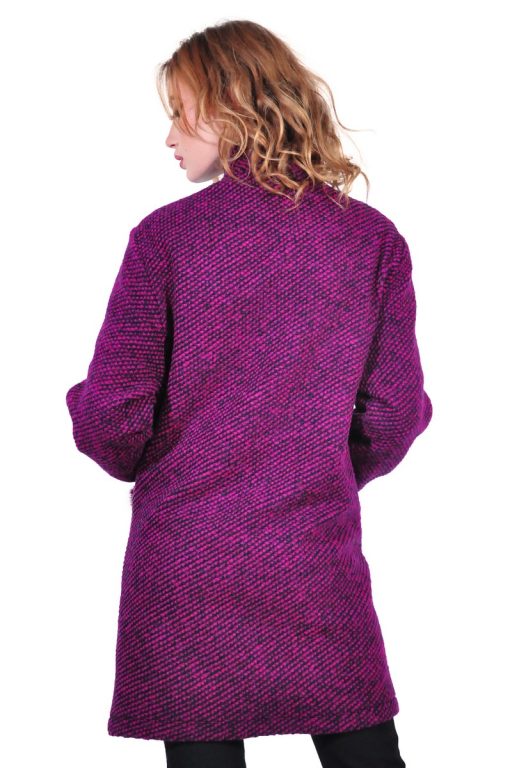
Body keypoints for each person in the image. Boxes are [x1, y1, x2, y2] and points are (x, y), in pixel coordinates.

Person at [65, 18, 432, 768]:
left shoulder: (166, 239)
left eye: (179, 112)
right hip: (313, 550)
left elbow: (113, 422)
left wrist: (82, 404)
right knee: (363, 747)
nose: (168, 136)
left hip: (187, 556)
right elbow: (394, 414)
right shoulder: (371, 240)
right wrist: (312, 471)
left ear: (229, 106)